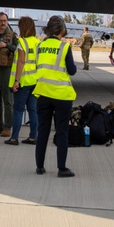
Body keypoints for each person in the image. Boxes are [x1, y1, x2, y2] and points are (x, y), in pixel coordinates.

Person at [33, 15, 78, 177]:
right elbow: (72, 70)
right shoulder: (64, 47)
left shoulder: (40, 46)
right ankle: (61, 168)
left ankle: (39, 166)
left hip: (43, 93)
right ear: (62, 30)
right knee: (62, 132)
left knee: (42, 130)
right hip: (61, 95)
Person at [5, 15, 39, 146]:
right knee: (33, 110)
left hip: (23, 81)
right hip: (34, 81)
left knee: (18, 110)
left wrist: (16, 80)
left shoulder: (22, 43)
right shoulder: (37, 42)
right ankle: (33, 137)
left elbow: (21, 61)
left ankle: (14, 138)